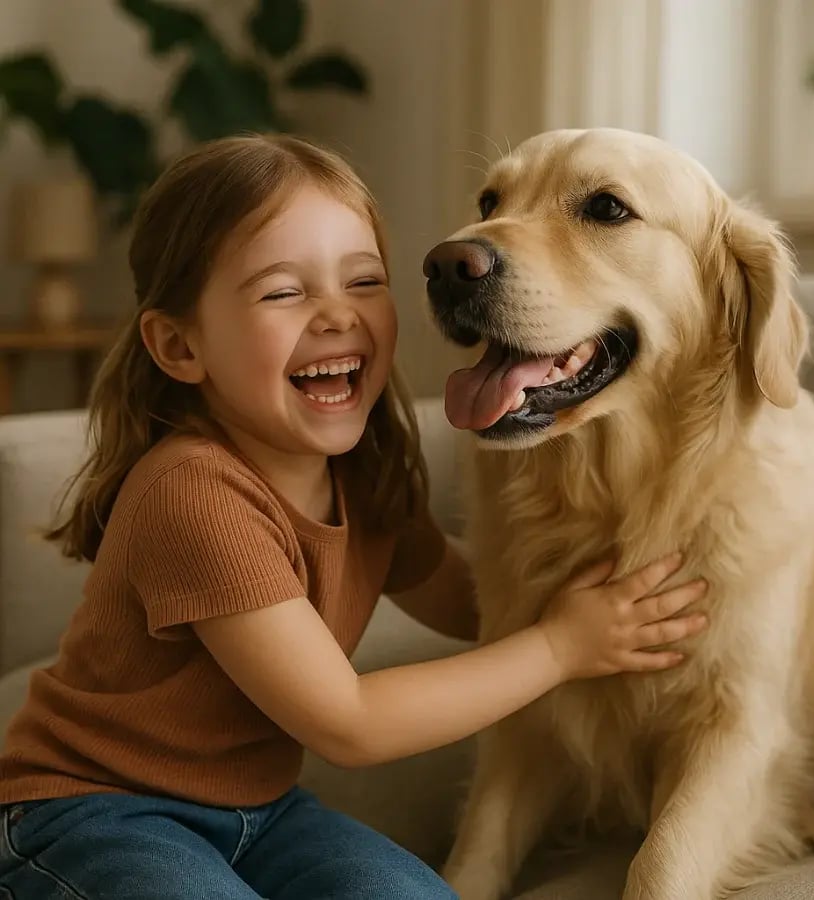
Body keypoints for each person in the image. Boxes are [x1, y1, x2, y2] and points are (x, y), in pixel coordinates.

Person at [0, 134, 709, 900]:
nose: (338, 316)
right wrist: (564, 645)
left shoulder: (364, 475)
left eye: (364, 282)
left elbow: (475, 605)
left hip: (259, 813)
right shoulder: (191, 496)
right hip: (90, 810)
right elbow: (350, 724)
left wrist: (614, 600)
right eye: (282, 292)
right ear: (180, 345)